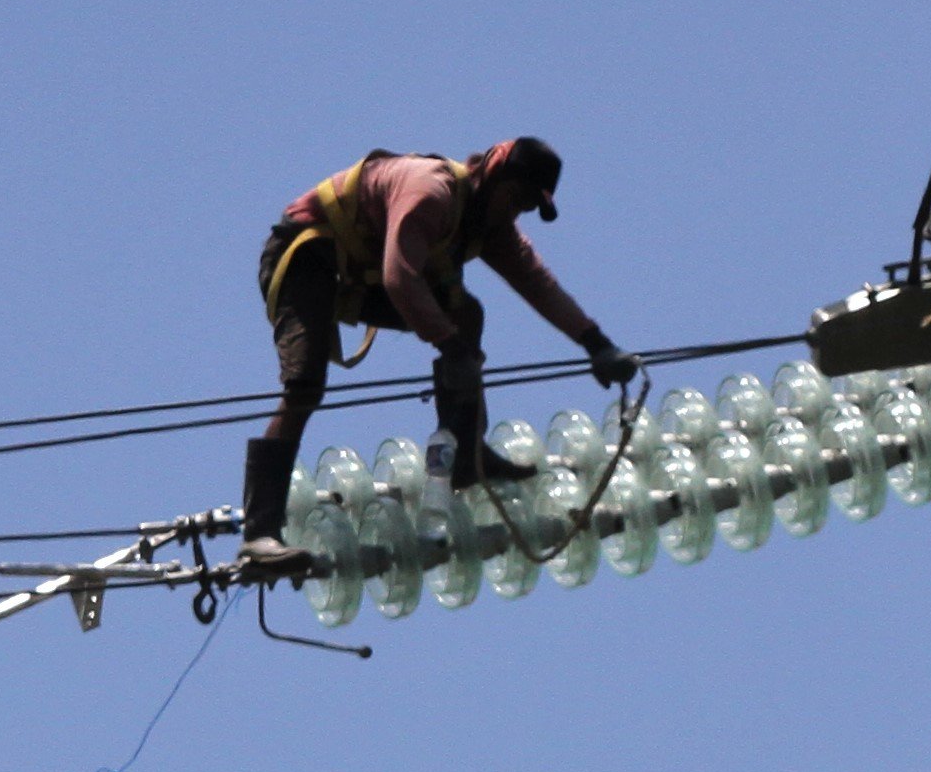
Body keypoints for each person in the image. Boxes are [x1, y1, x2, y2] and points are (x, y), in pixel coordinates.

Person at [236, 138, 640, 579]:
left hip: (351, 273)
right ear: (494, 172)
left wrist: (596, 344)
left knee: (465, 314)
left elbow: (536, 281)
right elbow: (399, 277)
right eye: (516, 199)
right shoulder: (432, 192)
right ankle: (259, 535)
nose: (515, 213)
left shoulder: (488, 225)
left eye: (526, 207)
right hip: (306, 257)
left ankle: (465, 453)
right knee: (305, 386)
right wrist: (450, 347)